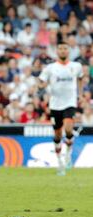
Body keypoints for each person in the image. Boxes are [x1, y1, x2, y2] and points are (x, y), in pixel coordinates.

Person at [38, 41, 83, 176]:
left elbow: (80, 78)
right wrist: (41, 86)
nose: (63, 51)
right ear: (57, 51)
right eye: (60, 48)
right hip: (55, 105)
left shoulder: (76, 66)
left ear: (68, 51)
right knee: (57, 134)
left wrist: (79, 94)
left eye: (65, 48)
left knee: (68, 128)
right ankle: (60, 163)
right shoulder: (50, 68)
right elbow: (41, 81)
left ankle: (68, 155)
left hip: (69, 103)